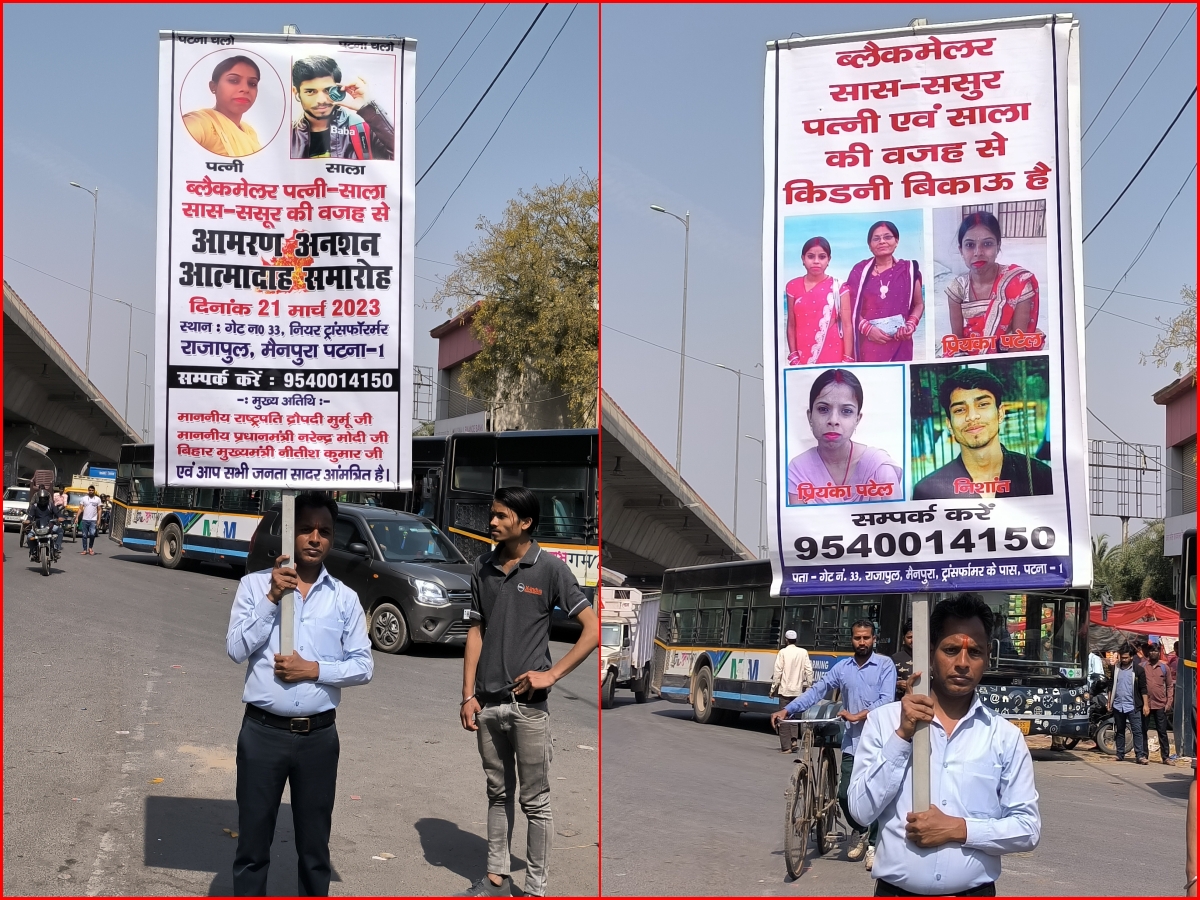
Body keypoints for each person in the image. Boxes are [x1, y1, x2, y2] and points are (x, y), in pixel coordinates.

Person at [226, 492, 372, 896]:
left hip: (318, 739)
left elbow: (363, 666)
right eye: (306, 528)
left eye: (324, 531)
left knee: (314, 849)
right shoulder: (254, 587)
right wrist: (273, 599)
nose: (314, 538)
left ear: (332, 538)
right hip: (262, 734)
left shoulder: (344, 598)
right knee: (253, 846)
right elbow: (236, 649)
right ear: (291, 533)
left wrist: (314, 670)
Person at [848, 593, 1040, 896]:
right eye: (951, 650)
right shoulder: (885, 723)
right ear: (930, 652)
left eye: (974, 652)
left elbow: (1027, 829)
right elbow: (860, 812)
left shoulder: (1004, 736)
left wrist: (958, 828)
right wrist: (902, 737)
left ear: (988, 656)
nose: (962, 663)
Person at [458, 486, 599, 897]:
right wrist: (468, 695)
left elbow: (591, 631)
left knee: (535, 803)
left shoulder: (550, 569)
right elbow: (475, 631)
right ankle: (497, 878)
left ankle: (536, 889)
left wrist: (551, 676)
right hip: (487, 706)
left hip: (528, 709)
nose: (493, 522)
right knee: (497, 794)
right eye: (493, 515)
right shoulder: (481, 567)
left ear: (525, 523)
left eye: (502, 516)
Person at [771, 620, 896, 871]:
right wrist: (788, 709)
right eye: (857, 638)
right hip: (852, 742)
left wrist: (858, 715)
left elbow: (887, 701)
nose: (862, 642)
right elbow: (817, 690)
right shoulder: (843, 668)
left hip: (880, 741)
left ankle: (872, 845)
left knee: (876, 794)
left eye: (866, 638)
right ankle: (859, 830)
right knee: (844, 795)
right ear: (851, 639)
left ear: (874, 639)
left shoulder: (885, 665)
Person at [912, 368, 1054, 501]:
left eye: (982, 404)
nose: (972, 416)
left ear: (1000, 413)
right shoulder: (928, 491)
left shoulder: (1041, 477)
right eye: (960, 410)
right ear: (949, 424)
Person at [786, 368, 903, 505]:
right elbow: (796, 525)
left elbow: (896, 524)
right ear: (810, 416)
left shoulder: (880, 469)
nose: (833, 420)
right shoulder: (799, 469)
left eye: (846, 411)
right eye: (823, 409)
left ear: (857, 419)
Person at [943, 211, 1040, 357]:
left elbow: (1018, 345)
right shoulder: (957, 289)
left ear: (998, 246)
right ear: (961, 250)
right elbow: (957, 343)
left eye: (987, 244)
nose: (978, 252)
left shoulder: (1018, 283)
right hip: (971, 354)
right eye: (969, 245)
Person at [842, 220, 924, 363]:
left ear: (896, 241)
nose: (882, 242)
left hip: (900, 342)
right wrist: (867, 329)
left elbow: (918, 304)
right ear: (870, 245)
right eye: (876, 238)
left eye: (887, 237)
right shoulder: (859, 271)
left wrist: (910, 325)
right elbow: (848, 307)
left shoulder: (908, 270)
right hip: (868, 343)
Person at [290, 55, 395, 160]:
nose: (321, 100)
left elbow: (401, 160)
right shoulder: (287, 135)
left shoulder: (361, 128)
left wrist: (367, 108)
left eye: (327, 90)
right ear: (296, 92)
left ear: (338, 89)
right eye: (310, 91)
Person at [785, 237, 853, 365]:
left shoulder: (839, 287)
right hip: (802, 354)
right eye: (811, 256)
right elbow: (791, 324)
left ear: (829, 260)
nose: (816, 261)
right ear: (803, 259)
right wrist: (794, 356)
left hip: (833, 353)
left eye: (822, 257)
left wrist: (847, 359)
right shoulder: (792, 286)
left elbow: (847, 325)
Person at [183, 56, 263, 157]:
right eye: (234, 80)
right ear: (213, 87)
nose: (245, 89)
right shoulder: (203, 123)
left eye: (252, 83)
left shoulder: (249, 132)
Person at [772, 630, 814, 752]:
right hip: (798, 691)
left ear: (786, 640)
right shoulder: (803, 652)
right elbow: (809, 670)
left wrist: (773, 688)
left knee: (783, 718)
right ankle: (794, 740)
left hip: (785, 690)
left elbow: (778, 671)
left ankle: (786, 747)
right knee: (794, 716)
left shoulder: (783, 652)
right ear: (796, 639)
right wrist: (809, 685)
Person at [1108, 642, 1149, 765]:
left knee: (1137, 731)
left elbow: (1143, 688)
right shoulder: (1116, 669)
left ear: (1131, 657)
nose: (1124, 660)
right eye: (1122, 657)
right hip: (1118, 705)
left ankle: (1140, 755)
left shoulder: (1138, 670)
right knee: (1120, 730)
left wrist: (1145, 705)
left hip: (1133, 706)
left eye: (1126, 657)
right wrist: (1109, 701)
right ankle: (1119, 754)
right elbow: (1110, 686)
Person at [1143, 641, 1175, 763]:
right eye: (1151, 650)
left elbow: (1169, 686)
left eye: (1155, 651)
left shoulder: (1164, 667)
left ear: (1159, 652)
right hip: (1146, 705)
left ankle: (1165, 757)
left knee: (1162, 731)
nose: (1153, 653)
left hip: (1160, 704)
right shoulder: (1143, 666)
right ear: (1148, 652)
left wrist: (1169, 702)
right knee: (1143, 730)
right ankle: (1144, 755)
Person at [25, 488, 63, 558]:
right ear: (38, 498)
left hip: (50, 526)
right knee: (29, 536)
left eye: (44, 498)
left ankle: (56, 548)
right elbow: (30, 516)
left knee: (60, 531)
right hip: (37, 527)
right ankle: (33, 551)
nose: (42, 500)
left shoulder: (51, 505)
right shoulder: (35, 506)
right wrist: (28, 521)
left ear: (47, 498)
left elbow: (57, 513)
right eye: (41, 498)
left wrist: (59, 517)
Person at [76, 485, 103, 556]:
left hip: (93, 520)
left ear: (94, 491)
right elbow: (80, 508)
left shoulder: (97, 499)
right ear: (88, 491)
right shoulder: (84, 498)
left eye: (92, 490)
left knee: (92, 534)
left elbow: (99, 510)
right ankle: (84, 550)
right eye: (90, 490)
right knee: (84, 535)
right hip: (85, 520)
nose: (91, 491)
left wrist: (99, 519)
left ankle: (90, 548)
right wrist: (76, 517)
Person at [892, 619, 914, 702]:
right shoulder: (895, 658)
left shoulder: (932, 657)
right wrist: (897, 684)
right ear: (903, 639)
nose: (913, 640)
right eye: (909, 637)